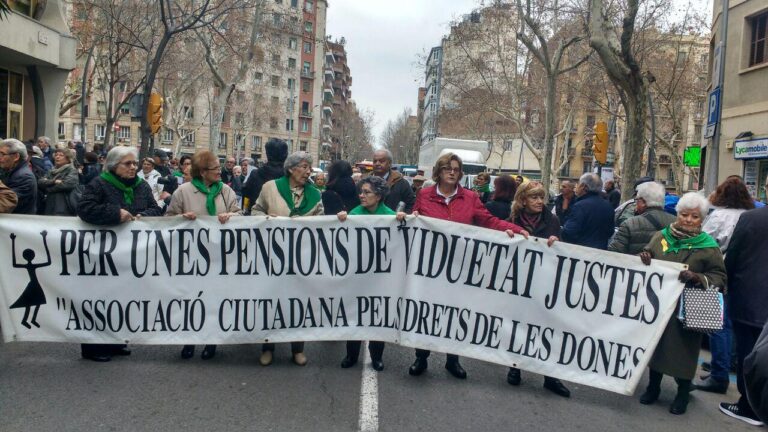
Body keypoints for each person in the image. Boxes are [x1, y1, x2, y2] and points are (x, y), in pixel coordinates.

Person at [408, 152, 528, 380]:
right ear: (438, 172)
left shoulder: (470, 198)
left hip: (460, 268)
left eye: (456, 169)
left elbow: (488, 220)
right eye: (447, 168)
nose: (452, 172)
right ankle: (421, 356)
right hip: (430, 266)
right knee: (427, 312)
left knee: (455, 313)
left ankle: (453, 359)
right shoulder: (424, 196)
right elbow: (415, 221)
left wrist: (508, 228)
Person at [638, 192, 726, 415]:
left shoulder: (708, 246)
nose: (688, 220)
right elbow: (648, 254)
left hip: (688, 308)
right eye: (684, 214)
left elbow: (720, 277)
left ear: (702, 219)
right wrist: (645, 255)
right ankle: (653, 387)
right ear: (677, 214)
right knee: (656, 348)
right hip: (659, 304)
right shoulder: (662, 237)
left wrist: (698, 278)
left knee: (684, 353)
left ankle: (683, 393)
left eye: (694, 217)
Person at [77, 146, 163, 362]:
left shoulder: (141, 186)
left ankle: (115, 341)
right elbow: (85, 209)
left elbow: (155, 209)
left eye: (135, 163)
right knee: (100, 300)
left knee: (121, 298)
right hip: (102, 254)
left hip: (129, 255)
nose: (134, 167)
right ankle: (94, 347)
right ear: (114, 166)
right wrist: (115, 214)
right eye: (128, 163)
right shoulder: (99, 183)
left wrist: (143, 215)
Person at [167, 150, 242, 361]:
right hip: (190, 257)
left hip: (219, 257)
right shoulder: (183, 191)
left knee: (215, 299)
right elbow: (167, 219)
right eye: (215, 168)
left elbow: (239, 214)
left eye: (219, 168)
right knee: (190, 299)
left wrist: (231, 216)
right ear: (202, 171)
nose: (219, 171)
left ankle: (211, 341)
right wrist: (182, 218)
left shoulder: (226, 191)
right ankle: (189, 340)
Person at [251, 151, 323, 366]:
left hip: (302, 259)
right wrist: (266, 219)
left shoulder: (316, 194)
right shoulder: (270, 188)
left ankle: (297, 349)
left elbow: (321, 223)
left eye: (310, 167)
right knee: (271, 302)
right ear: (291, 169)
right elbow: (255, 211)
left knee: (299, 304)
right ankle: (268, 347)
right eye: (304, 166)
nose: (309, 171)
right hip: (273, 257)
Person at [506, 181, 569, 397]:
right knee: (519, 326)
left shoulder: (552, 220)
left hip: (544, 283)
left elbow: (563, 248)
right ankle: (515, 367)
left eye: (541, 197)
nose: (540, 201)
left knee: (545, 329)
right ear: (523, 200)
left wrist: (557, 241)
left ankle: (550, 376)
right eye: (534, 197)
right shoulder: (512, 220)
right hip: (519, 282)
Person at [336, 176, 405, 372]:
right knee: (354, 313)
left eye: (367, 192)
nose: (362, 195)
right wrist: (342, 219)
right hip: (357, 275)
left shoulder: (391, 216)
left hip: (380, 277)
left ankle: (377, 356)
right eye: (361, 192)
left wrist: (402, 220)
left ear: (379, 195)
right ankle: (351, 355)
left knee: (378, 314)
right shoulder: (354, 214)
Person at [695, 177, 755, 395]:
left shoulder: (718, 216)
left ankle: (719, 374)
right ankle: (723, 365)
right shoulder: (749, 216)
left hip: (718, 273)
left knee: (717, 326)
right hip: (742, 277)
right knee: (730, 324)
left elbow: (704, 241)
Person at [718, 178, 768, 426]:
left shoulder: (751, 219)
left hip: (750, 299)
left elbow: (733, 257)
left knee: (749, 353)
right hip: (755, 298)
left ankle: (748, 406)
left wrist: (725, 282)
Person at [608, 182, 675, 255]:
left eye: (637, 200)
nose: (636, 204)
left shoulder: (629, 224)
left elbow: (614, 255)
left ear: (643, 202)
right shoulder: (675, 222)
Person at [561, 173, 615, 249]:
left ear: (583, 186)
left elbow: (568, 233)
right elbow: (610, 232)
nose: (576, 187)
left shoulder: (580, 206)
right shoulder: (608, 206)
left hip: (581, 253)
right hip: (601, 253)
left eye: (578, 184)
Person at [242, 138, 288, 212]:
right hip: (285, 220)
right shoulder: (291, 176)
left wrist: (245, 211)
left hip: (257, 218)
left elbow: (246, 196)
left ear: (267, 154)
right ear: (286, 155)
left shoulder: (255, 174)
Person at [37, 147, 80, 216]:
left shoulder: (72, 170)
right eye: (56, 155)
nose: (57, 157)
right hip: (50, 203)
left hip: (64, 204)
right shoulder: (52, 170)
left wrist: (48, 188)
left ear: (68, 158)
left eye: (61, 155)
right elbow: (40, 182)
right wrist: (53, 182)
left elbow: (67, 184)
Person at [0, 139, 37, 214]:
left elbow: (6, 202)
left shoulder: (24, 177)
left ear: (16, 157)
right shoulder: (9, 171)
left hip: (18, 223)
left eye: (2, 154)